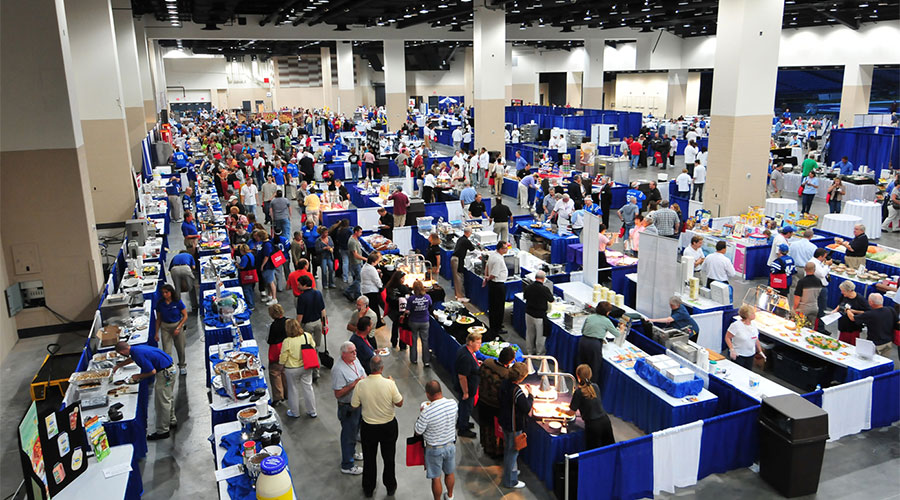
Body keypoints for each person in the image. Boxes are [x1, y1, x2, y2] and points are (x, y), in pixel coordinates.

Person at [351, 356, 404, 498]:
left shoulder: (361, 385)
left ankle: (368, 488)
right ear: (382, 368)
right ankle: (390, 486)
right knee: (389, 457)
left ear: (370, 368)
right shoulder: (389, 384)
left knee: (369, 459)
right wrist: (393, 384)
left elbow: (354, 405)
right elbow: (399, 403)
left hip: (369, 427)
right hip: (388, 426)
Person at [113, 342, 177, 440]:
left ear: (122, 351)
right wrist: (119, 365)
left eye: (121, 354)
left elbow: (152, 371)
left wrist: (137, 376)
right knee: (168, 398)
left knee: (162, 402)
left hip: (165, 373)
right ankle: (171, 420)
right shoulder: (135, 349)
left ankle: (163, 431)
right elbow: (132, 358)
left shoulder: (138, 354)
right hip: (170, 368)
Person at [415, 380, 459, 500]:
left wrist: (421, 414)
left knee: (436, 477)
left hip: (434, 449)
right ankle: (450, 496)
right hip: (450, 446)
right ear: (440, 391)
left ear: (428, 394)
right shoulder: (453, 404)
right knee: (449, 473)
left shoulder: (427, 412)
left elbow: (418, 431)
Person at [558, 364, 615, 449]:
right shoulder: (595, 387)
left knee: (593, 452)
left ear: (578, 376)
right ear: (590, 375)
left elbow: (571, 413)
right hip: (605, 421)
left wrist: (560, 410)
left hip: (593, 426)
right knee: (609, 449)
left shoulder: (578, 393)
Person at [333, 341, 366, 475]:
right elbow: (338, 393)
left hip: (358, 404)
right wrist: (354, 384)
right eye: (352, 352)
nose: (355, 354)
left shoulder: (355, 360)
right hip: (347, 407)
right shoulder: (338, 370)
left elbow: (363, 374)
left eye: (355, 351)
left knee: (355, 431)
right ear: (344, 354)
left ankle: (352, 453)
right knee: (348, 435)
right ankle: (347, 464)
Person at [498, 362, 533, 489]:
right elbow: (526, 407)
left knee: (509, 449)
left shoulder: (505, 383)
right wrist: (531, 395)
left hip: (505, 421)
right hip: (514, 426)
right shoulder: (516, 391)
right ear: (521, 377)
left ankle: (511, 472)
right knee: (513, 452)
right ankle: (510, 481)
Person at [477, 347, 515, 459]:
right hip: (495, 407)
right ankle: (496, 451)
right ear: (510, 361)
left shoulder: (487, 363)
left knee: (485, 426)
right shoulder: (505, 375)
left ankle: (486, 446)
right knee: (495, 430)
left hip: (482, 401)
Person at [279, 318, 318, 418]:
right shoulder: (306, 336)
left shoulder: (287, 341)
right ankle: (312, 411)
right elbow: (313, 346)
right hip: (306, 365)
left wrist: (281, 365)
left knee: (293, 390)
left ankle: (294, 412)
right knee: (308, 387)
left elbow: (284, 356)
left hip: (291, 368)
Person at [847, 294, 898, 361]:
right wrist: (855, 311)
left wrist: (847, 309)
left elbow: (853, 318)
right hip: (888, 342)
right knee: (884, 361)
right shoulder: (890, 310)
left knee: (871, 362)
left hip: (874, 344)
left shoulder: (870, 314)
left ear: (871, 302)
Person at [455, 332, 482, 439]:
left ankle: (461, 421)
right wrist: (466, 392)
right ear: (471, 342)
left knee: (463, 406)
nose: (480, 345)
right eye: (478, 343)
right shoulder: (466, 357)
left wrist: (476, 364)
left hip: (467, 387)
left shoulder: (464, 350)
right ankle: (463, 428)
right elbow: (462, 376)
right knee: (467, 407)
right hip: (467, 389)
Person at [156, 284, 188, 375]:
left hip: (177, 325)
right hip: (165, 327)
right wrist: (156, 333)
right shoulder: (160, 304)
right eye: (163, 293)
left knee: (180, 348)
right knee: (166, 350)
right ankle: (170, 367)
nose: (165, 294)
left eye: (166, 292)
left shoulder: (177, 302)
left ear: (171, 292)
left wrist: (179, 327)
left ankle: (182, 365)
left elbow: (185, 316)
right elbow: (158, 319)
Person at [295, 274, 327, 362]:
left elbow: (300, 316)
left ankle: (311, 363)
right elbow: (323, 310)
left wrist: (296, 328)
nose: (297, 286)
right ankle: (317, 366)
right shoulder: (318, 293)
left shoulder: (301, 298)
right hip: (318, 323)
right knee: (316, 345)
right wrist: (324, 324)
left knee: (308, 345)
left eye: (299, 284)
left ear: (304, 285)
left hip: (307, 325)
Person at [523, 270, 555, 355]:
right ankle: (539, 353)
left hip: (528, 313)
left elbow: (525, 296)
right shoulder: (544, 289)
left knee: (529, 334)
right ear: (543, 279)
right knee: (540, 336)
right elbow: (551, 299)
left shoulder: (529, 287)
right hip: (539, 316)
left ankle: (529, 351)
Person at [725, 305, 765, 370]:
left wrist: (760, 351)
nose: (754, 314)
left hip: (750, 355)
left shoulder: (753, 324)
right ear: (747, 315)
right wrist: (732, 350)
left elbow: (755, 338)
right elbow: (727, 337)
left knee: (748, 372)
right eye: (752, 313)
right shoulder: (736, 325)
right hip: (739, 355)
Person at [404, 280, 433, 366]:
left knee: (413, 340)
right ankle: (426, 361)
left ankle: (414, 359)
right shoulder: (427, 297)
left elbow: (408, 311)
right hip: (425, 321)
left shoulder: (411, 299)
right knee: (425, 341)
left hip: (413, 321)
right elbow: (430, 305)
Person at [484, 242, 510, 337]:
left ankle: (496, 325)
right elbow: (494, 274)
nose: (507, 249)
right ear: (500, 249)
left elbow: (487, 266)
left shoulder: (493, 254)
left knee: (494, 306)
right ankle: (496, 328)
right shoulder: (498, 259)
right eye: (505, 248)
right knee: (498, 307)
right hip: (497, 285)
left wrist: (486, 276)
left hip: (493, 284)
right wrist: (488, 278)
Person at [831, 280, 869, 345]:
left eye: (843, 291)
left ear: (850, 291)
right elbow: (840, 304)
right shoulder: (844, 296)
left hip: (853, 327)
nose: (842, 292)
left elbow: (867, 312)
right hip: (843, 325)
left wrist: (853, 311)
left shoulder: (860, 300)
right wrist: (835, 310)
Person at [266, 304, 288, 405]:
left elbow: (270, 340)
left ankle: (278, 395)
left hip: (276, 351)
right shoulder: (288, 322)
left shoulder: (273, 326)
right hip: (287, 349)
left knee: (275, 373)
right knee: (284, 371)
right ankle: (287, 393)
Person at [385, 271, 410, 350]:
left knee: (395, 326)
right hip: (402, 311)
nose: (404, 279)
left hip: (393, 310)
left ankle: (393, 341)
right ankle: (402, 345)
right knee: (402, 328)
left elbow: (388, 299)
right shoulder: (404, 288)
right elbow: (408, 298)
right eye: (403, 278)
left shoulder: (389, 287)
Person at [360, 252, 385, 328]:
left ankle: (372, 322)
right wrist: (381, 287)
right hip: (371, 291)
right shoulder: (371, 269)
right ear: (373, 262)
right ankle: (378, 323)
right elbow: (377, 281)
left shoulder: (365, 266)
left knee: (370, 308)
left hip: (365, 290)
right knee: (375, 308)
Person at [451, 228, 475, 301]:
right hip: (457, 260)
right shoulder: (466, 241)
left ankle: (457, 295)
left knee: (456, 277)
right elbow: (473, 250)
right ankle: (460, 297)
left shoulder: (460, 239)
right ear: (469, 233)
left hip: (454, 259)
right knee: (459, 278)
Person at [344, 226, 366, 301]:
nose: (361, 233)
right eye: (360, 232)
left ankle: (357, 294)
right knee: (359, 279)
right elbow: (355, 255)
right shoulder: (352, 241)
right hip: (355, 263)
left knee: (357, 279)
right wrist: (365, 259)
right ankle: (348, 291)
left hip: (358, 262)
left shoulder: (355, 239)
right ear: (356, 232)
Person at [236, 244, 258, 310]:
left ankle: (250, 305)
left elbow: (242, 266)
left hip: (246, 275)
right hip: (252, 274)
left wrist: (237, 265)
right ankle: (252, 303)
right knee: (250, 290)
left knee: (246, 290)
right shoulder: (251, 254)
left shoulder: (244, 257)